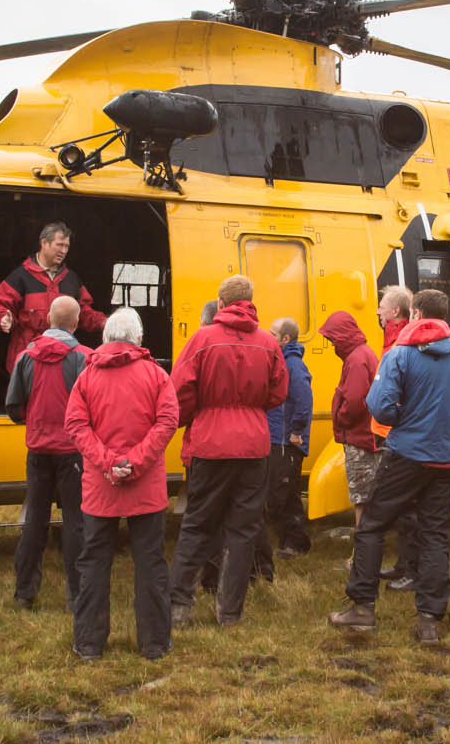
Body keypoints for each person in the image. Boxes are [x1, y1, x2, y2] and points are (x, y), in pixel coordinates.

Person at [328, 289, 450, 643]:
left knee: (371, 526)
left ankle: (362, 607)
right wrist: (446, 419)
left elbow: (380, 407)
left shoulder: (399, 355)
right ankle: (429, 618)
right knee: (433, 533)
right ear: (445, 317)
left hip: (406, 453)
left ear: (415, 313)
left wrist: (410, 419)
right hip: (445, 457)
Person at [168, 276, 288, 627]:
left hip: (210, 444)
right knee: (243, 528)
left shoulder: (202, 340)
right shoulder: (268, 342)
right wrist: (251, 410)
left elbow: (180, 391)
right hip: (253, 446)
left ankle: (179, 606)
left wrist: (198, 415)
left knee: (197, 524)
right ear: (250, 302)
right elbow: (278, 392)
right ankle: (230, 612)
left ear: (220, 304)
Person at [63, 307, 180, 661]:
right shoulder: (156, 375)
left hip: (101, 486)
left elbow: (76, 426)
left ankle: (88, 643)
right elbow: (167, 421)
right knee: (151, 562)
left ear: (105, 338)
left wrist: (107, 463)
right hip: (146, 486)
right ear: (139, 338)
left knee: (94, 562)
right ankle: (155, 643)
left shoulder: (87, 377)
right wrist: (136, 462)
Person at [5, 296, 91, 611]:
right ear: (77, 322)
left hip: (38, 449)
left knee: (35, 520)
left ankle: (24, 592)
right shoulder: (84, 357)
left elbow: (13, 407)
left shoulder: (26, 357)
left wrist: (36, 421)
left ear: (48, 321)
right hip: (73, 451)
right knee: (76, 521)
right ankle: (77, 594)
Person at [0, 222, 107, 373]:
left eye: (66, 246)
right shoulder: (20, 276)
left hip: (64, 358)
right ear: (44, 242)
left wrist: (106, 323)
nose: (63, 251)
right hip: (28, 357)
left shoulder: (71, 279)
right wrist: (3, 319)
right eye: (59, 245)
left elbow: (83, 313)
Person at [252, 318, 314, 580]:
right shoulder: (282, 361)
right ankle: (295, 542)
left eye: (273, 332)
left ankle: (295, 542)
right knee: (285, 495)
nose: (268, 334)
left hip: (286, 442)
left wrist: (297, 432)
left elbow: (304, 400)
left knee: (280, 496)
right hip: (277, 439)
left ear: (285, 339)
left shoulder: (294, 366)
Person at [372, 285, 420, 589]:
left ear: (396, 312)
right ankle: (404, 564)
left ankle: (412, 570)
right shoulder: (393, 341)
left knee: (409, 506)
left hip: (399, 438)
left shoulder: (403, 345)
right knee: (404, 509)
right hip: (389, 434)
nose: (377, 311)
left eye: (382, 306)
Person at [319, 310, 380, 525]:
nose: (332, 344)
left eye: (332, 338)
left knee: (362, 498)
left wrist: (341, 419)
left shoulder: (356, 360)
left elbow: (354, 400)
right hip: (365, 434)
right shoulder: (363, 354)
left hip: (359, 437)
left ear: (342, 336)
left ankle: (362, 554)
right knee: (367, 495)